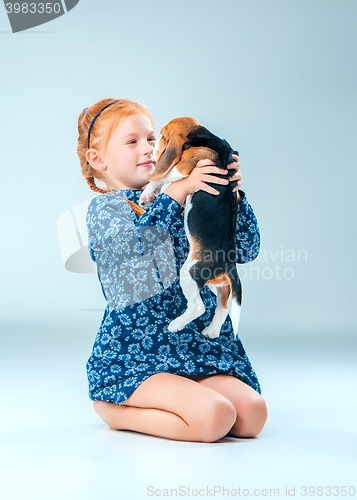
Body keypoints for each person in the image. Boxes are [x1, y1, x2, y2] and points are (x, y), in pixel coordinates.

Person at [77, 98, 267, 443]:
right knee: (215, 418)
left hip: (195, 347)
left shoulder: (190, 196)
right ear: (98, 159)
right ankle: (115, 408)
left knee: (252, 415)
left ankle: (190, 393)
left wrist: (230, 197)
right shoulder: (106, 209)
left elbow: (246, 250)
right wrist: (176, 192)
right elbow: (141, 265)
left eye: (152, 138)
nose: (149, 148)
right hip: (141, 353)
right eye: (132, 141)